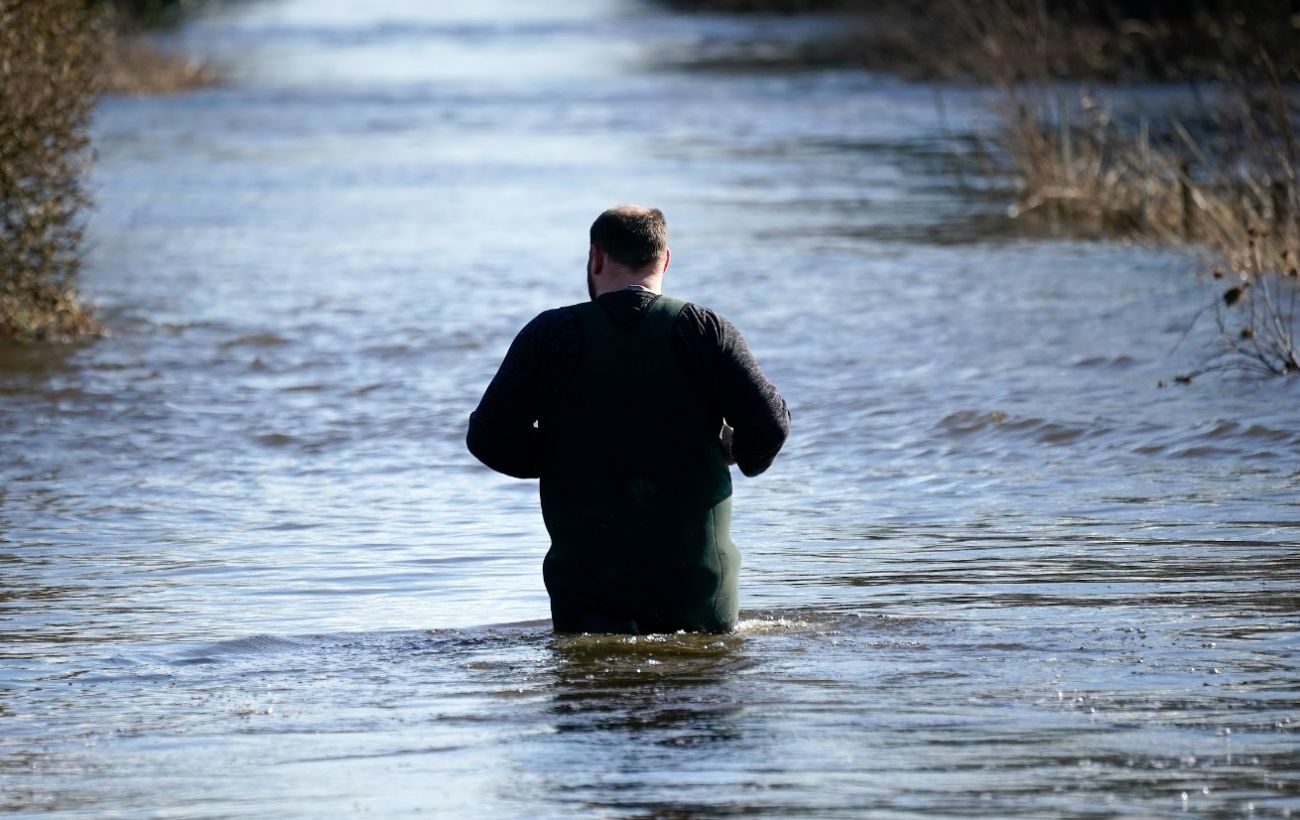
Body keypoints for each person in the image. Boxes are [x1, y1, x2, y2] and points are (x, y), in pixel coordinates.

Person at [467, 204, 789, 634]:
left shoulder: (550, 335)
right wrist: (733, 452)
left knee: (593, 695)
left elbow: (488, 437)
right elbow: (770, 426)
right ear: (665, 259)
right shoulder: (705, 330)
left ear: (596, 257)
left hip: (587, 597)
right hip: (699, 596)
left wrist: (563, 455)